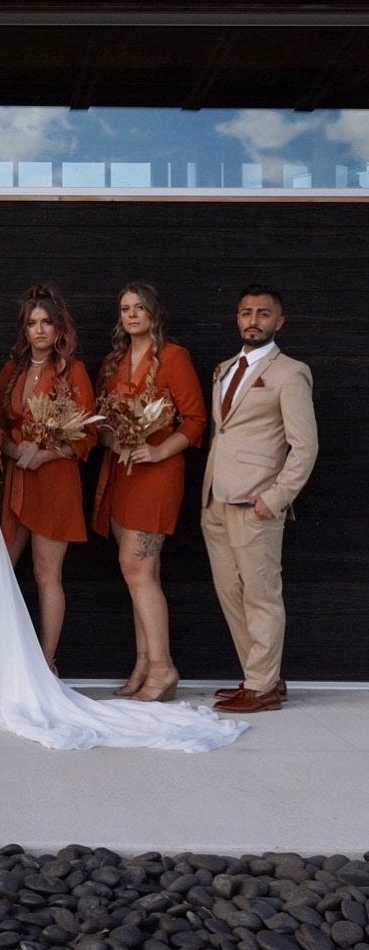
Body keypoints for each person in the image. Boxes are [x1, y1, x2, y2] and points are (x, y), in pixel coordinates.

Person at [0, 302, 244, 752]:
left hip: (23, 485)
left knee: (42, 573)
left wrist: (23, 454)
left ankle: (48, 663)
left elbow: (65, 430)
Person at [203, 286, 318, 714]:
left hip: (257, 504)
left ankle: (262, 686)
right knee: (230, 592)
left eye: (263, 314)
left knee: (261, 594)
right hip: (216, 500)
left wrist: (277, 497)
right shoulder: (225, 368)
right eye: (246, 312)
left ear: (278, 322)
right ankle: (261, 676)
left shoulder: (291, 372)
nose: (254, 319)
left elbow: (304, 446)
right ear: (237, 319)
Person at [91, 283, 207, 702]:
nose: (132, 315)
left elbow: (195, 419)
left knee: (137, 569)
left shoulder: (173, 357)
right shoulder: (112, 362)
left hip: (157, 474)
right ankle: (144, 663)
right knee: (139, 572)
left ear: (154, 313)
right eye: (125, 309)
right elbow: (99, 420)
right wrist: (113, 440)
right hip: (122, 473)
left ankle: (164, 668)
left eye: (140, 307)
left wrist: (157, 449)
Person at [0, 283, 97, 674]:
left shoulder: (72, 371)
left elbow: (87, 434)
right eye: (32, 323)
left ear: (59, 329)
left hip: (54, 478)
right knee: (1, 564)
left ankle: (46, 660)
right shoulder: (12, 370)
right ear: (24, 329)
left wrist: (46, 453)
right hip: (16, 477)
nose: (39, 330)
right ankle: (5, 655)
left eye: (47, 322)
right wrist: (10, 450)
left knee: (45, 572)